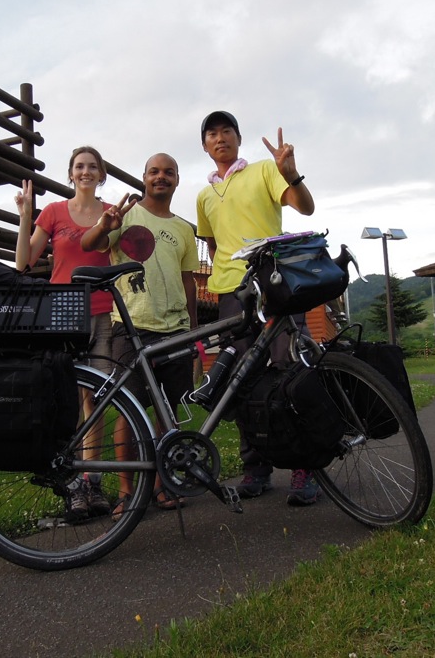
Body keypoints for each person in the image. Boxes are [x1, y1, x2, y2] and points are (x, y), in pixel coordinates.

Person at [195, 110, 321, 506]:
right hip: (231, 293)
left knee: (293, 371)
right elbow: (213, 245)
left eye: (227, 131)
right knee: (240, 380)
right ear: (205, 145)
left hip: (274, 283)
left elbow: (306, 207)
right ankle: (256, 468)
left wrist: (291, 172)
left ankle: (306, 469)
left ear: (238, 137)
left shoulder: (265, 170)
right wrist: (225, 271)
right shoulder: (203, 196)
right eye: (212, 134)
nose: (220, 138)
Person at [82, 153, 199, 518]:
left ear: (177, 180)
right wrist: (104, 225)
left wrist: (193, 331)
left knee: (167, 413)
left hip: (175, 329)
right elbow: (89, 244)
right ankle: (127, 492)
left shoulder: (184, 228)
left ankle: (164, 486)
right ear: (144, 178)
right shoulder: (125, 215)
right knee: (128, 414)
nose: (161, 177)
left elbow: (188, 281)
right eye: (154, 172)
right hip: (130, 328)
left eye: (168, 172)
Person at [15, 146, 115, 522]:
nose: (85, 171)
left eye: (92, 166)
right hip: (63, 312)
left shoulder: (111, 213)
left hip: (102, 312)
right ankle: (72, 484)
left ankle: (93, 483)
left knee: (97, 399)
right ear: (71, 174)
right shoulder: (54, 212)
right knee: (69, 398)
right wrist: (26, 215)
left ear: (101, 174)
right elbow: (23, 262)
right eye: (79, 166)